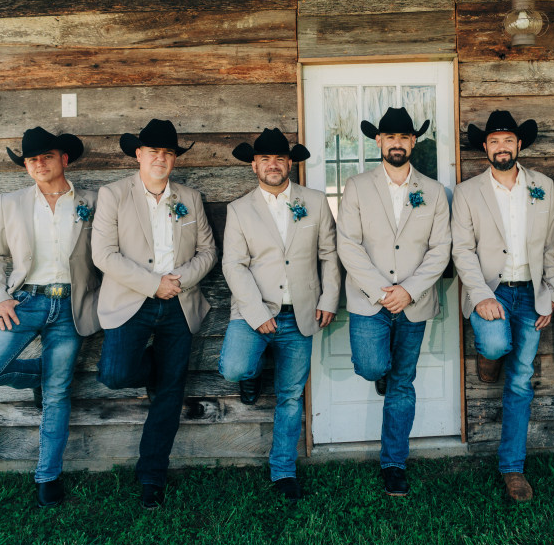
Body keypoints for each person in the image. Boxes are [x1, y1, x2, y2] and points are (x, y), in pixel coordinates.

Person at [0, 127, 100, 508]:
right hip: (24, 303)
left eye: (46, 156)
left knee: (57, 395)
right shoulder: (11, 202)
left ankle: (48, 476)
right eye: (31, 159)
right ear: (25, 166)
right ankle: (41, 373)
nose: (38, 163)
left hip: (72, 307)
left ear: (63, 159)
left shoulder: (92, 201)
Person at [92, 119, 217, 509]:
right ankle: (154, 370)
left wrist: (177, 281)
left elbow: (208, 252)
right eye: (153, 152)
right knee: (115, 375)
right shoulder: (113, 194)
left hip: (179, 302)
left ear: (174, 158)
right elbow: (103, 254)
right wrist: (153, 284)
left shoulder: (190, 197)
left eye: (167, 152)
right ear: (138, 155)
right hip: (131, 300)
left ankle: (152, 477)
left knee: (168, 393)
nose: (160, 158)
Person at [219, 128, 341, 501]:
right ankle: (253, 373)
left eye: (280, 158)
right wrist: (256, 313)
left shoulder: (316, 202)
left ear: (290, 163)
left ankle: (283, 470)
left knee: (290, 396)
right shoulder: (239, 209)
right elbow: (233, 265)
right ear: (254, 165)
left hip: (301, 313)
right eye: (265, 159)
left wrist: (329, 298)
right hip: (253, 311)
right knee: (234, 368)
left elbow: (329, 255)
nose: (273, 165)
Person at [336, 107, 452, 496]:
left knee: (403, 382)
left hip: (414, 302)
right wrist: (382, 292)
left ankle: (394, 462)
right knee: (371, 366)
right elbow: (347, 244)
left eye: (404, 137)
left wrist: (409, 290)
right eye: (390, 137)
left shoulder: (433, 192)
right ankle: (379, 372)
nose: (397, 143)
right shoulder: (356, 186)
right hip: (371, 301)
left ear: (413, 142)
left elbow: (440, 249)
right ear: (379, 142)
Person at [450, 110, 554, 501]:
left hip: (531, 292)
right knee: (497, 344)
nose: (501, 147)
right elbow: (462, 251)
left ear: (519, 145)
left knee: (520, 379)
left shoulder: (543, 186)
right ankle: (489, 353)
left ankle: (512, 468)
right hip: (490, 289)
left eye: (508, 140)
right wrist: (480, 295)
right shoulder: (466, 192)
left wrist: (550, 293)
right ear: (485, 147)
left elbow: (551, 248)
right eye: (494, 141)